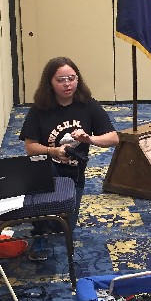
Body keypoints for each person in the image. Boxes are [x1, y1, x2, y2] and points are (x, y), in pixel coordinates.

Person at [20, 57, 118, 260]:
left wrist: (89, 139)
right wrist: (53, 151)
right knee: (44, 216)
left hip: (75, 171)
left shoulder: (88, 105)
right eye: (61, 80)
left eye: (72, 78)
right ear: (50, 83)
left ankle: (51, 218)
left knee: (64, 226)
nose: (67, 84)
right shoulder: (39, 110)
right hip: (46, 169)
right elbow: (30, 147)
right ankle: (38, 233)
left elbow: (114, 138)